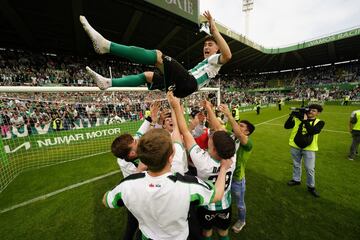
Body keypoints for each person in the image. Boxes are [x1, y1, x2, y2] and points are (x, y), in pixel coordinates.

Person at [103, 128, 233, 240]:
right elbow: (217, 195)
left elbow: (106, 200)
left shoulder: (127, 184)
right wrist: (223, 169)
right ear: (171, 157)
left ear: (142, 158)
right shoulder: (188, 185)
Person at [79, 10, 232, 98]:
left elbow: (228, 56)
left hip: (188, 83)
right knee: (148, 76)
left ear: (217, 48)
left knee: (158, 56)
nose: (206, 46)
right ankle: (108, 83)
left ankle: (106, 46)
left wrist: (214, 31)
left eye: (210, 44)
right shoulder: (207, 63)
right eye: (205, 44)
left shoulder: (214, 60)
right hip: (183, 86)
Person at [168, 91, 236, 240]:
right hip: (225, 203)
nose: (209, 138)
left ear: (213, 149)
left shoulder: (202, 160)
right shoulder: (232, 156)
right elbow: (220, 130)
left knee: (207, 233)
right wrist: (210, 110)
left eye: (210, 142)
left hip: (207, 204)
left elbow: (185, 131)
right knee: (224, 233)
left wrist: (176, 107)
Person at [218, 104, 255, 233]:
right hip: (227, 174)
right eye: (239, 124)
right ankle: (223, 213)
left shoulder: (248, 143)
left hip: (237, 178)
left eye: (242, 126)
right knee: (224, 197)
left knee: (239, 203)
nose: (238, 127)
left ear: (247, 132)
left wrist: (229, 115)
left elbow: (238, 133)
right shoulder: (233, 136)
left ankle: (242, 220)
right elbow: (220, 128)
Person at [284, 104, 325, 197]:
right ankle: (296, 180)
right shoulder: (298, 119)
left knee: (310, 168)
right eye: (310, 110)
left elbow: (312, 131)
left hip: (309, 149)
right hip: (295, 146)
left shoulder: (320, 122)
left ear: (318, 113)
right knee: (296, 164)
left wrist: (305, 121)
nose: (311, 112)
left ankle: (311, 187)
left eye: (314, 111)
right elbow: (286, 126)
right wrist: (291, 116)